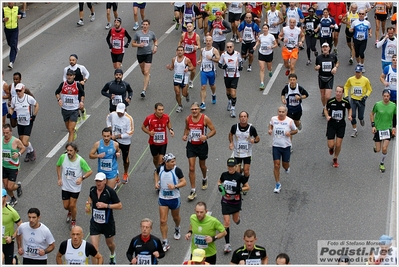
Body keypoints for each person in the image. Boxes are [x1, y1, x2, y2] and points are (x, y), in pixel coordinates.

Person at [86, 172, 122, 265]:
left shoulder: (110, 192)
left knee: (110, 244)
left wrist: (106, 205)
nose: (98, 183)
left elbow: (119, 206)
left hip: (107, 223)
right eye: (97, 181)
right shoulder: (92, 189)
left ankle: (112, 254)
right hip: (95, 222)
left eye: (100, 181)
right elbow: (90, 197)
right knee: (94, 249)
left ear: (105, 181)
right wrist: (88, 204)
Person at [182, 103, 216, 201]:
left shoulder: (205, 118)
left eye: (196, 109)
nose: (194, 111)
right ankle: (193, 190)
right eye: (192, 109)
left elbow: (213, 130)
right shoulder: (188, 119)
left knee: (202, 166)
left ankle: (204, 178)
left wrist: (206, 136)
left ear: (199, 110)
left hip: (202, 146)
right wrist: (185, 135)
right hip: (191, 145)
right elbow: (187, 128)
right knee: (191, 168)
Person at [154, 153, 187, 252]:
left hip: (174, 198)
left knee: (176, 217)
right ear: (166, 162)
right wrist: (156, 182)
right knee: (163, 221)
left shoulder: (177, 170)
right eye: (172, 162)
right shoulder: (160, 168)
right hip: (163, 198)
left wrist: (175, 186)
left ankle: (177, 227)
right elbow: (155, 173)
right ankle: (165, 241)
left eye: (174, 161)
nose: (174, 163)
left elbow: (184, 182)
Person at [56, 142, 93, 229]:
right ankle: (70, 211)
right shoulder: (63, 157)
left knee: (72, 205)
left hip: (75, 187)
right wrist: (59, 178)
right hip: (65, 186)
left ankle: (73, 220)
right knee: (66, 206)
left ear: (75, 151)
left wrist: (82, 178)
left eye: (71, 151)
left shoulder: (80, 160)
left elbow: (90, 171)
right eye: (67, 150)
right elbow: (58, 166)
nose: (69, 152)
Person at [218, 158, 249, 254]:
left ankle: (237, 218)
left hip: (235, 202)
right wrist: (220, 187)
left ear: (236, 167)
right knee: (226, 222)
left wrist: (239, 189)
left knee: (235, 220)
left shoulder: (239, 176)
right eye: (229, 166)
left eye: (232, 166)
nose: (230, 168)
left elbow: (247, 187)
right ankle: (227, 245)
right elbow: (219, 182)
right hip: (226, 201)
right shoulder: (224, 175)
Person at [268, 106, 298, 193]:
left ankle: (287, 167)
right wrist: (270, 130)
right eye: (279, 111)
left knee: (285, 164)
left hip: (286, 146)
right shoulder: (273, 119)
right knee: (276, 165)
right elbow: (271, 125)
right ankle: (277, 184)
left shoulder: (290, 121)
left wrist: (290, 133)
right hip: (276, 146)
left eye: (283, 112)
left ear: (286, 112)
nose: (281, 113)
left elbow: (295, 130)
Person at [228, 111, 260, 193]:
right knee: (238, 172)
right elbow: (230, 134)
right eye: (241, 116)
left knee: (246, 171)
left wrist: (254, 141)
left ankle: (245, 184)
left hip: (247, 153)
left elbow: (258, 138)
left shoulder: (251, 129)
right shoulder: (235, 127)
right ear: (239, 118)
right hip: (237, 153)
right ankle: (238, 186)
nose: (243, 118)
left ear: (247, 118)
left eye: (245, 116)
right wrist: (231, 142)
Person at [8, 83, 39, 162]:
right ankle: (29, 152)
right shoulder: (14, 99)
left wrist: (34, 115)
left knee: (24, 142)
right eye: (17, 91)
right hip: (20, 123)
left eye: (20, 90)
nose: (18, 92)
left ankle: (31, 151)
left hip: (28, 122)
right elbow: (12, 108)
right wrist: (10, 114)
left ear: (23, 90)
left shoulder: (28, 98)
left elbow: (37, 105)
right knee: (22, 141)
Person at [324, 86, 352, 168]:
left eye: (340, 92)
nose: (338, 93)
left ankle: (335, 158)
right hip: (331, 124)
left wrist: (350, 116)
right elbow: (325, 109)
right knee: (331, 145)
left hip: (341, 124)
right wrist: (327, 116)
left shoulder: (345, 101)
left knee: (338, 144)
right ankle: (331, 148)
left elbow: (349, 108)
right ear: (335, 92)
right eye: (337, 91)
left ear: (342, 93)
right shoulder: (331, 101)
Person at [106, 103, 134, 184]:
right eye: (118, 112)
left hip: (125, 142)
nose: (119, 114)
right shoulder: (113, 114)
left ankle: (125, 173)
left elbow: (130, 133)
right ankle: (115, 175)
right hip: (115, 141)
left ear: (125, 110)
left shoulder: (129, 119)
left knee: (125, 159)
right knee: (112, 156)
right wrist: (109, 128)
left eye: (121, 112)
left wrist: (117, 136)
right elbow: (108, 118)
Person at [55, 69, 85, 142]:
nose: (69, 77)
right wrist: (59, 99)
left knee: (71, 129)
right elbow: (56, 92)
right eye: (68, 75)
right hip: (65, 109)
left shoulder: (77, 85)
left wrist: (81, 101)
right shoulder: (63, 84)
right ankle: (73, 133)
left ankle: (69, 147)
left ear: (74, 76)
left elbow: (82, 94)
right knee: (69, 128)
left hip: (74, 109)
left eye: (71, 75)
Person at [370, 89, 397, 173]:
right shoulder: (377, 105)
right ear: (382, 96)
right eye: (384, 96)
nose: (386, 98)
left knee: (384, 148)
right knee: (378, 150)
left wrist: (394, 127)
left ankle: (382, 163)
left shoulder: (393, 106)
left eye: (387, 96)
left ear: (389, 97)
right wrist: (373, 126)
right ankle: (376, 148)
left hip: (387, 129)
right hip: (378, 129)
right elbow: (371, 114)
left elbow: (395, 116)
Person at [141, 102, 174, 169]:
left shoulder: (166, 117)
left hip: (163, 142)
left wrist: (170, 129)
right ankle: (157, 168)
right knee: (155, 158)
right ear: (155, 110)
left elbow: (168, 123)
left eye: (162, 109)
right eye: (159, 110)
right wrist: (149, 132)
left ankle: (159, 171)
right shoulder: (149, 118)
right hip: (153, 143)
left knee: (160, 160)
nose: (161, 111)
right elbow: (143, 127)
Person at [343, 65, 373, 138]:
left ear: (361, 73)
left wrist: (366, 96)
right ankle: (354, 129)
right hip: (353, 99)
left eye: (359, 72)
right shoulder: (351, 79)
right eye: (356, 72)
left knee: (360, 116)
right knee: (352, 115)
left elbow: (369, 89)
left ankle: (361, 119)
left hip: (361, 100)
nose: (357, 74)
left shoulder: (365, 80)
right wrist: (346, 95)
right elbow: (346, 87)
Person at [132, 19, 158, 99]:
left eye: (146, 24)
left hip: (148, 54)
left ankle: (144, 90)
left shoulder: (151, 33)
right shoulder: (138, 33)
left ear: (149, 25)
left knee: (146, 71)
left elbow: (155, 40)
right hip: (140, 54)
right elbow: (133, 44)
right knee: (143, 71)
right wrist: (139, 45)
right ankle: (148, 77)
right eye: (144, 24)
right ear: (142, 25)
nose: (145, 26)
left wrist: (155, 47)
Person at [166, 46, 194, 113]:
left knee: (183, 94)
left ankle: (187, 95)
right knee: (177, 93)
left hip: (184, 78)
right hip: (176, 78)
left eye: (181, 50)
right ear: (177, 51)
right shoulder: (174, 59)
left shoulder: (186, 60)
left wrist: (188, 69)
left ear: (183, 51)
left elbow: (192, 67)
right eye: (179, 50)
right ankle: (180, 105)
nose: (180, 52)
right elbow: (172, 68)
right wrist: (169, 67)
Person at [2, 123, 25, 207]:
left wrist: (18, 153)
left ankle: (18, 186)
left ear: (11, 132)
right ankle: (13, 198)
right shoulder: (1, 140)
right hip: (3, 166)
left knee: (10, 187)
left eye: (7, 133)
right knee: (6, 186)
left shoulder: (15, 141)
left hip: (13, 166)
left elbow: (23, 148)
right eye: (4, 132)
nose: (5, 134)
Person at [218, 42, 243, 118]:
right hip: (227, 76)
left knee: (233, 92)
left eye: (230, 47)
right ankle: (229, 100)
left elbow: (241, 61)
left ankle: (233, 108)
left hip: (235, 76)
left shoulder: (237, 54)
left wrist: (241, 66)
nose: (229, 48)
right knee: (228, 91)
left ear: (233, 47)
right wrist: (223, 67)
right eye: (228, 47)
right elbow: (219, 64)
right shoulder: (223, 55)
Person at [63, 54, 90, 123]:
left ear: (76, 60)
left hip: (79, 86)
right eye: (70, 60)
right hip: (71, 88)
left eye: (73, 60)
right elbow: (64, 78)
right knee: (74, 103)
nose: (71, 61)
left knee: (80, 103)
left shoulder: (81, 67)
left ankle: (83, 111)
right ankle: (77, 117)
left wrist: (84, 80)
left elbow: (87, 74)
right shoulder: (66, 69)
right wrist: (66, 84)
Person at [315, 42, 339, 113]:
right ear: (322, 49)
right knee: (323, 96)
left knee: (327, 96)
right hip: (321, 77)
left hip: (330, 78)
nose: (325, 48)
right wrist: (317, 67)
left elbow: (337, 62)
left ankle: (326, 107)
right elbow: (315, 67)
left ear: (329, 48)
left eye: (326, 47)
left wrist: (335, 67)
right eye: (323, 47)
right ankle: (324, 107)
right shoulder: (319, 58)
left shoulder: (333, 56)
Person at [198, 35, 220, 110]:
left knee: (212, 85)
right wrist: (200, 60)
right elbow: (201, 56)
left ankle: (213, 94)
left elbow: (218, 60)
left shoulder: (214, 50)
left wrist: (211, 58)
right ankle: (203, 103)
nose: (208, 42)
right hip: (203, 71)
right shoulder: (203, 50)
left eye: (209, 41)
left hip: (211, 71)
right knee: (203, 86)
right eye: (207, 40)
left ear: (212, 41)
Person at [2, 188, 22, 265]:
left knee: (8, 263)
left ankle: (14, 260)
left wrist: (12, 237)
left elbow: (20, 225)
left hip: (7, 242)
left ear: (6, 197)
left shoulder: (11, 211)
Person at [255, 23, 278, 89]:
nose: (265, 29)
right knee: (262, 68)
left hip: (269, 54)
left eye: (266, 28)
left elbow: (275, 44)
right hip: (261, 53)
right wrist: (255, 46)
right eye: (264, 28)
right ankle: (262, 83)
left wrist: (271, 47)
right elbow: (258, 41)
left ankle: (270, 71)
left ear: (268, 29)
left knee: (269, 67)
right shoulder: (261, 36)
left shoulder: (271, 36)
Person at [179, 22, 201, 89]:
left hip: (192, 54)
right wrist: (179, 49)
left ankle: (191, 81)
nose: (188, 28)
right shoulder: (183, 35)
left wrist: (196, 47)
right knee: (183, 68)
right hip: (185, 54)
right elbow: (180, 41)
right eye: (187, 27)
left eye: (190, 26)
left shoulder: (196, 36)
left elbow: (199, 46)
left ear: (193, 27)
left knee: (193, 70)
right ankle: (182, 81)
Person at [3, 2, 23, 69]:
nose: (9, 2)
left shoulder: (17, 8)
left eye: (11, 1)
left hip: (15, 29)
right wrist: (3, 19)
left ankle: (11, 62)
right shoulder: (4, 9)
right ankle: (15, 48)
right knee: (10, 43)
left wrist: (20, 16)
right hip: (7, 29)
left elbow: (22, 14)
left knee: (13, 44)